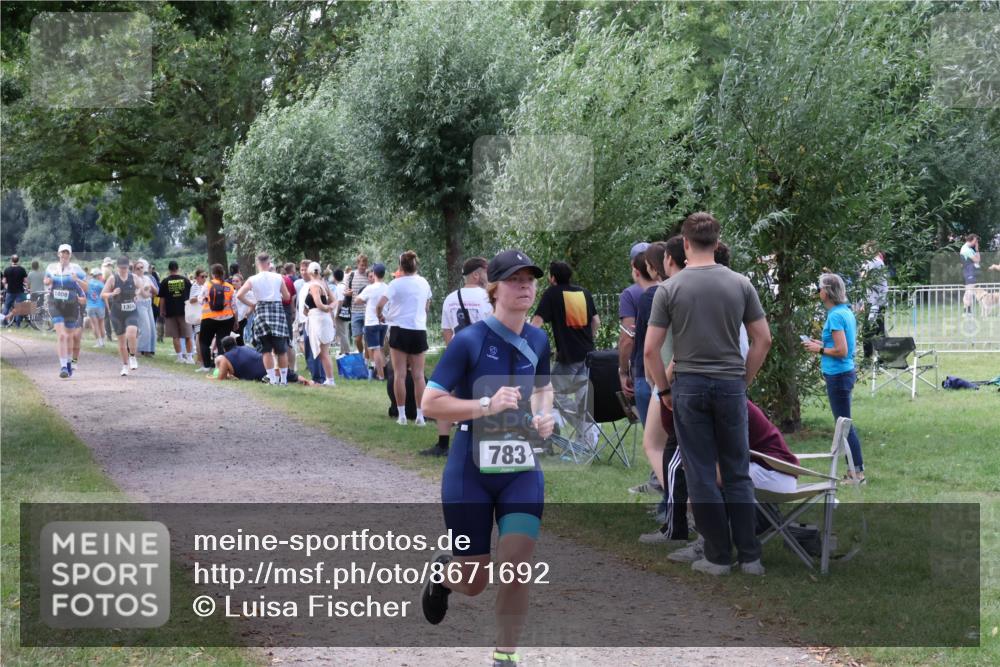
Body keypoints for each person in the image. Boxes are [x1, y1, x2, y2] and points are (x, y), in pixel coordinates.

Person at [419, 249, 554, 667]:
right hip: (470, 469)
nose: (525, 286)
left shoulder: (537, 339)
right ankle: (443, 577)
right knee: (474, 580)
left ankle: (504, 657)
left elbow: (544, 388)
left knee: (516, 564)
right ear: (493, 288)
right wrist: (485, 405)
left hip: (521, 467)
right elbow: (430, 403)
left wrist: (545, 415)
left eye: (530, 279)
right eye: (515, 279)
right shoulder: (469, 341)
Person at [648, 212, 772, 577]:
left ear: (685, 244)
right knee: (737, 470)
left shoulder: (669, 289)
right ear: (717, 243)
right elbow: (763, 339)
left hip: (689, 386)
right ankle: (750, 557)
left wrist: (665, 390)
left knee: (701, 471)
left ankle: (717, 556)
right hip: (730, 384)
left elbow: (651, 350)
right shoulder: (740, 284)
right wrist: (743, 378)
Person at [421, 257, 492, 457]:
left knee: (446, 395)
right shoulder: (488, 297)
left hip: (458, 353)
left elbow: (446, 331)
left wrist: (453, 353)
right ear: (477, 274)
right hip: (483, 354)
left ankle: (443, 444)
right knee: (483, 397)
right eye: (487, 272)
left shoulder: (451, 298)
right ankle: (480, 441)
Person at [802, 272, 865, 484]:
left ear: (827, 291)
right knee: (844, 424)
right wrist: (819, 345)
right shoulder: (844, 312)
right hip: (842, 373)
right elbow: (837, 346)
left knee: (845, 426)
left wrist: (819, 351)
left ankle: (857, 474)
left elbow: (841, 350)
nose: (818, 292)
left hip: (838, 375)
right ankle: (853, 471)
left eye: (819, 288)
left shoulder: (835, 316)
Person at [530, 261, 599, 444]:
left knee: (550, 393)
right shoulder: (583, 293)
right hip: (588, 356)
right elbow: (596, 321)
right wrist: (587, 339)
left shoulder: (552, 293)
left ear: (552, 278)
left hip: (569, 357)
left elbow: (536, 324)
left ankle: (580, 426)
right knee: (583, 399)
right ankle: (587, 439)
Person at [377, 251, 432, 426]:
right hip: (418, 329)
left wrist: (381, 316)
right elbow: (427, 305)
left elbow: (380, 304)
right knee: (418, 376)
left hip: (399, 329)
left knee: (399, 374)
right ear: (416, 265)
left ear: (400, 266)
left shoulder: (395, 284)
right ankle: (420, 416)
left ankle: (401, 415)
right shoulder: (424, 283)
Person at [236, 253, 291, 385]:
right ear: (269, 263)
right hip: (277, 311)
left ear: (257, 263)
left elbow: (239, 295)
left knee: (266, 349)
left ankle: (272, 379)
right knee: (281, 350)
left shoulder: (252, 279)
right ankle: (283, 380)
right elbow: (287, 297)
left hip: (261, 311)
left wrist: (252, 304)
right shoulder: (278, 277)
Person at [44, 245, 88, 377]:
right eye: (62, 253)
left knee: (69, 336)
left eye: (66, 253)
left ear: (70, 255)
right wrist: (48, 281)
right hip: (55, 304)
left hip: (71, 306)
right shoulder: (51, 267)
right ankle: (63, 366)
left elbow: (86, 287)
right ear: (58, 254)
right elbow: (45, 280)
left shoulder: (76, 269)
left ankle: (68, 362)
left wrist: (77, 280)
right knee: (61, 335)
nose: (64, 255)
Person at [212, 336, 314, 385]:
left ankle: (305, 382)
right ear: (235, 343)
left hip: (260, 375)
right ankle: (309, 382)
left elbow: (220, 378)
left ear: (224, 348)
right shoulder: (246, 347)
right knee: (292, 376)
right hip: (270, 366)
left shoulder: (225, 358)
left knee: (289, 377)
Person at [101, 256, 142, 376]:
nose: (124, 270)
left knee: (131, 333)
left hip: (131, 310)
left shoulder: (133, 277)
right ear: (117, 267)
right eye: (121, 267)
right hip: (117, 312)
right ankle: (124, 366)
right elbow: (102, 294)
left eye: (126, 267)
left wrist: (137, 294)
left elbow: (140, 288)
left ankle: (133, 356)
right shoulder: (113, 279)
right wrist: (112, 293)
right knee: (122, 341)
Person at [197, 264, 236, 373]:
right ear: (223, 273)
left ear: (212, 274)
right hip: (227, 319)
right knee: (221, 343)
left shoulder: (207, 285)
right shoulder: (229, 287)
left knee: (204, 341)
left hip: (209, 318)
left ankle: (206, 366)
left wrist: (205, 300)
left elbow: (200, 300)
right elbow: (234, 306)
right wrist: (236, 320)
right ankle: (220, 367)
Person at [304, 261, 337, 386]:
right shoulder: (324, 284)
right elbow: (335, 301)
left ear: (309, 272)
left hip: (318, 319)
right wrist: (330, 307)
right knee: (324, 351)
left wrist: (326, 308)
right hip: (323, 318)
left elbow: (318, 304)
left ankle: (330, 380)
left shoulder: (314, 286)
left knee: (323, 352)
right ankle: (329, 379)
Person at [356, 262, 389, 381]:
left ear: (374, 274)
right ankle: (384, 373)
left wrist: (366, 301)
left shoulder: (369, 288)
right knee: (379, 348)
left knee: (375, 349)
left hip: (371, 321)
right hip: (384, 322)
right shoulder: (388, 287)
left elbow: (357, 301)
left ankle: (380, 375)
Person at [159, 260, 195, 363]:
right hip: (185, 311)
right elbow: (191, 295)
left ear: (169, 270)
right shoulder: (185, 280)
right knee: (188, 335)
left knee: (175, 336)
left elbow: (162, 298)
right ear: (178, 269)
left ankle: (179, 357)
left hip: (170, 312)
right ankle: (189, 357)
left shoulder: (165, 281)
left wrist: (162, 310)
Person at [859, 244, 888, 359]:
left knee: (868, 330)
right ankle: (883, 357)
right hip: (878, 301)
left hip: (874, 302)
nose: (863, 252)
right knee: (879, 330)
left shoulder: (873, 261)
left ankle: (867, 357)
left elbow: (863, 277)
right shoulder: (879, 262)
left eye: (864, 250)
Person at [344, 254, 371, 356]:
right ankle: (361, 353)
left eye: (365, 265)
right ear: (357, 264)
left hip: (367, 311)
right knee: (357, 338)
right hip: (355, 311)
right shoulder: (351, 275)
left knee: (368, 338)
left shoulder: (369, 276)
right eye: (361, 265)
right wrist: (348, 293)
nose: (363, 267)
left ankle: (367, 359)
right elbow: (345, 291)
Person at [133, 259, 158, 356]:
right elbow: (144, 294)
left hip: (148, 304)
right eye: (137, 268)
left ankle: (149, 350)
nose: (140, 270)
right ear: (134, 270)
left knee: (152, 327)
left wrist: (151, 289)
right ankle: (140, 349)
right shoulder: (134, 278)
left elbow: (156, 292)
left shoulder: (148, 278)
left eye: (141, 267)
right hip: (140, 303)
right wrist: (147, 291)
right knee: (145, 327)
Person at [2, 254, 29, 327]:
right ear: (18, 260)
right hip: (20, 292)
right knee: (19, 307)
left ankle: (4, 323)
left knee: (6, 307)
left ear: (11, 260)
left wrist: (6, 286)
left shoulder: (7, 269)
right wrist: (27, 288)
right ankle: (17, 324)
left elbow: (4, 281)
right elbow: (26, 281)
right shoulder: (22, 269)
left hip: (10, 291)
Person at [331, 268, 353, 355]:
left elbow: (340, 301)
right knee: (344, 331)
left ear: (334, 277)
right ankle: (342, 350)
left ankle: (347, 351)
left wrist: (336, 314)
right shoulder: (344, 285)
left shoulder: (339, 287)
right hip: (346, 312)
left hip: (340, 312)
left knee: (342, 333)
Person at [188, 268, 207, 365]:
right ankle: (200, 359)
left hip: (204, 313)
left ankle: (202, 358)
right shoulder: (195, 286)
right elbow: (191, 300)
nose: (204, 278)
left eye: (205, 276)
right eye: (202, 276)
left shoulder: (205, 286)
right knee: (199, 336)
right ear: (197, 277)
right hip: (198, 314)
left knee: (202, 336)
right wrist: (201, 297)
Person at [85, 268, 107, 348]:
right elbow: (105, 295)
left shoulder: (87, 283)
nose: (101, 276)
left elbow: (85, 293)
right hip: (100, 306)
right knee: (101, 324)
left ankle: (99, 342)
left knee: (95, 325)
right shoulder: (101, 284)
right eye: (100, 274)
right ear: (98, 275)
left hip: (90, 306)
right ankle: (103, 342)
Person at [960, 234, 981, 315]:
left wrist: (976, 250)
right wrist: (977, 249)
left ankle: (967, 311)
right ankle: (966, 311)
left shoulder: (969, 249)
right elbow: (977, 260)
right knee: (969, 291)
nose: (976, 243)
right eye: (975, 241)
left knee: (969, 291)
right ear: (971, 240)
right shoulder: (966, 249)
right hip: (969, 272)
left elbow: (978, 260)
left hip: (970, 271)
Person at [229, 273, 250, 346]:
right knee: (234, 338)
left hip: (241, 319)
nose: (234, 282)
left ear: (241, 281)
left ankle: (243, 354)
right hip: (233, 318)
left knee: (239, 338)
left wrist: (247, 314)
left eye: (237, 281)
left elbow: (254, 303)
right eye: (233, 281)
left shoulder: (246, 292)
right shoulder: (232, 292)